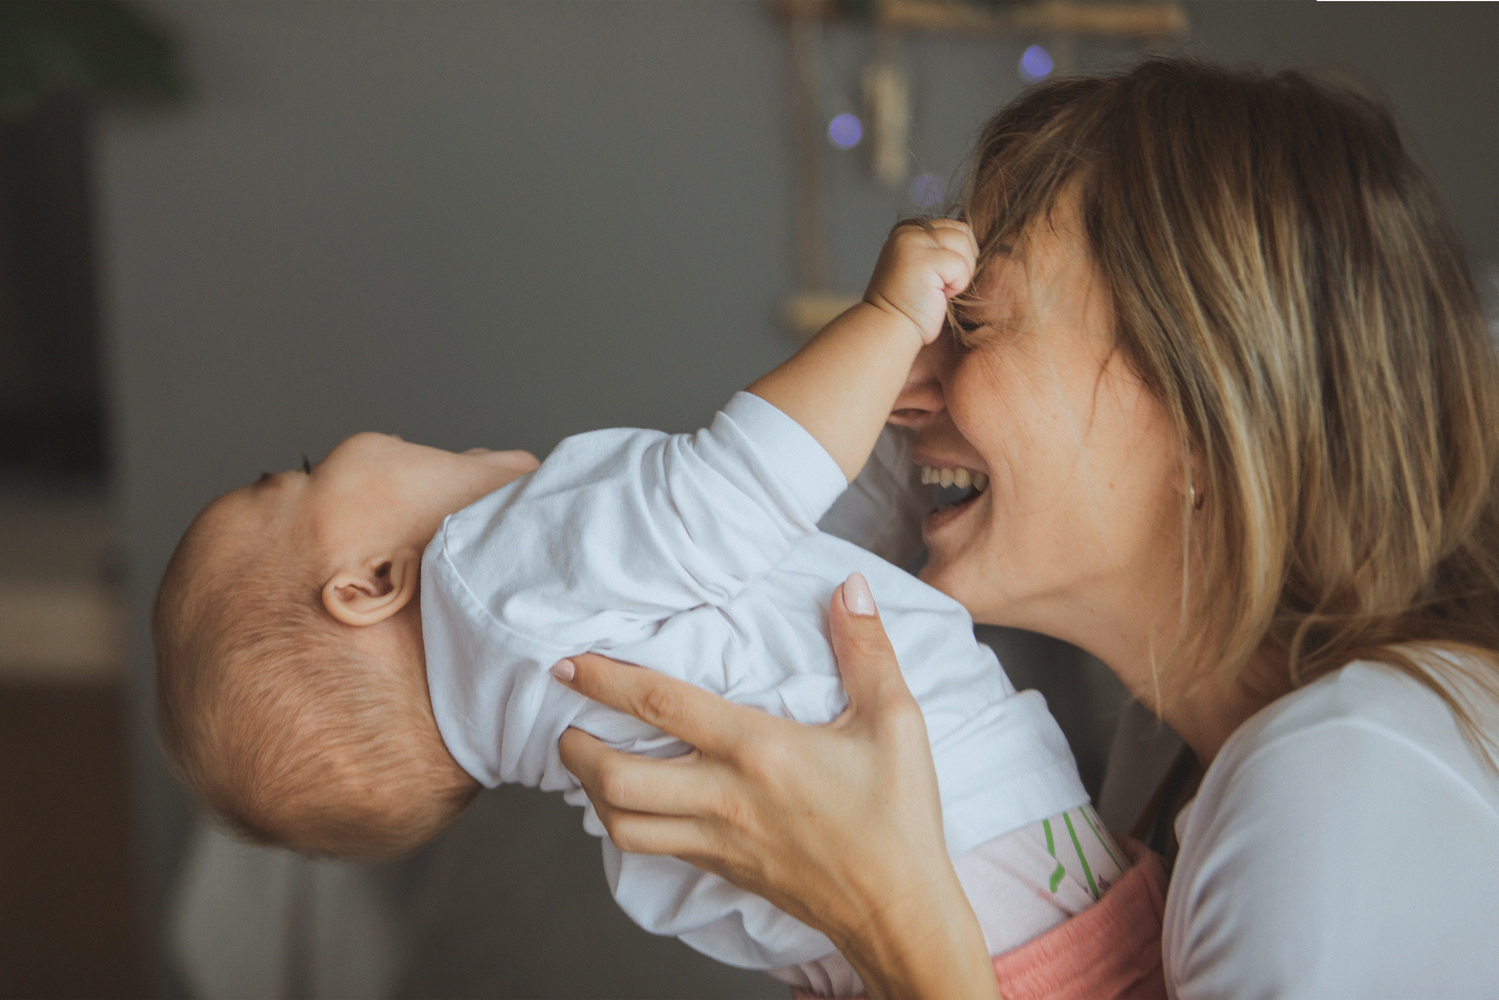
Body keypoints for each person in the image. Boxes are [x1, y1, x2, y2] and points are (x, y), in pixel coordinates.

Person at [552, 57, 1499, 999]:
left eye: (973, 324)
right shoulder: (1164, 752)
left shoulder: (1339, 786)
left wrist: (892, 912)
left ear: (1210, 413)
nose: (900, 393)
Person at [153, 219, 1132, 996]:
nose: (336, 445)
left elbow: (798, 559)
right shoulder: (490, 572)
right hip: (985, 865)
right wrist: (883, 320)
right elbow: (730, 491)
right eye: (304, 474)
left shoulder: (555, 718)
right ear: (369, 583)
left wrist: (881, 414)